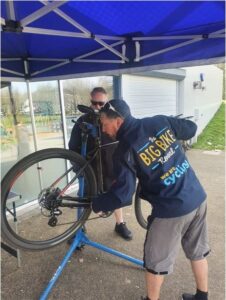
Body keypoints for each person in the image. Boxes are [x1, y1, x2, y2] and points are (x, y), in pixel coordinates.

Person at [92, 99, 210, 300]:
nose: (103, 129)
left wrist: (97, 203)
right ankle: (202, 296)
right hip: (197, 198)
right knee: (197, 251)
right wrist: (168, 134)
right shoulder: (159, 121)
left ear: (118, 121)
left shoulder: (124, 150)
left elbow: (122, 195)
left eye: (104, 123)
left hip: (171, 211)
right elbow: (190, 129)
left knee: (155, 263)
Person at [68, 87, 132, 240]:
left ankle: (120, 223)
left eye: (101, 103)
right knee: (84, 198)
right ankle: (79, 229)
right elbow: (72, 146)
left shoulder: (113, 119)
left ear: (106, 102)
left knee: (115, 194)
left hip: (111, 166)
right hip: (89, 168)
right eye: (94, 103)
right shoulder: (82, 121)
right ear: (90, 102)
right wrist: (78, 167)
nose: (97, 106)